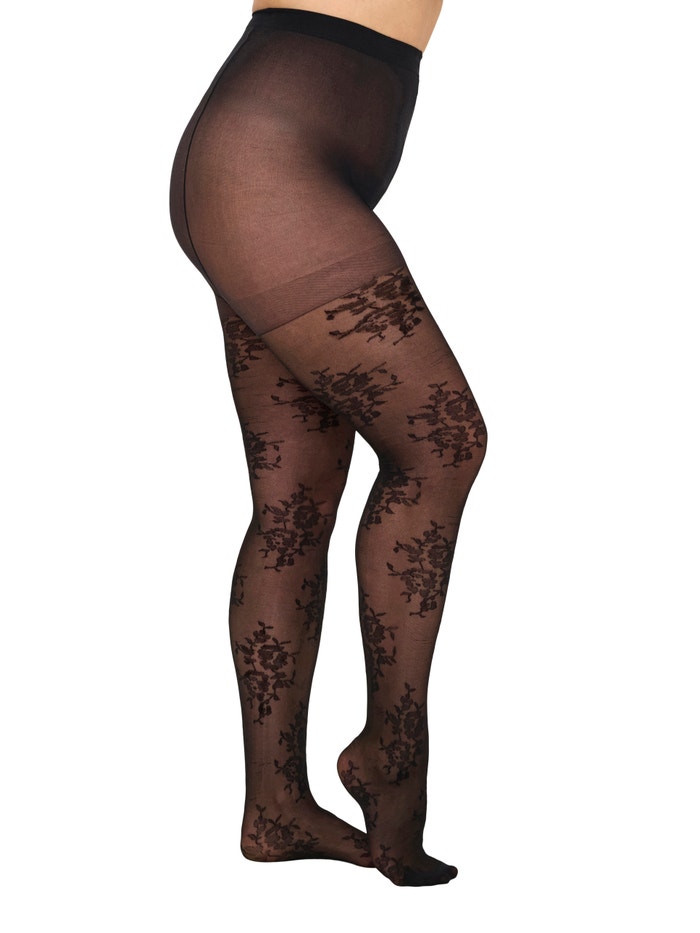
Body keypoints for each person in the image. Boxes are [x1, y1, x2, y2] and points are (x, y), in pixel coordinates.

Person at [169, 0, 487, 887]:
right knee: (443, 444)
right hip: (269, 159)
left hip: (273, 148)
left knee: (294, 500)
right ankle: (394, 754)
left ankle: (275, 808)